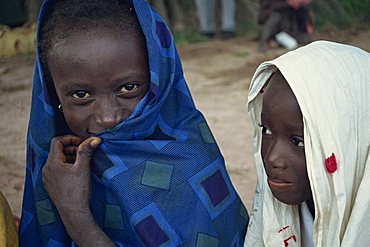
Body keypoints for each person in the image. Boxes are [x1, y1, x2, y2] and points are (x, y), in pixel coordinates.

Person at [19, 0, 248, 246]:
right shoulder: (53, 169)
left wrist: (75, 215)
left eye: (128, 88)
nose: (107, 117)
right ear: (52, 95)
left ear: (160, 80)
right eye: (81, 95)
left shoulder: (193, 163)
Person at [244, 41, 370, 246]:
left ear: (352, 144)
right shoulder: (277, 215)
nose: (272, 158)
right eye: (266, 130)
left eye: (298, 141)